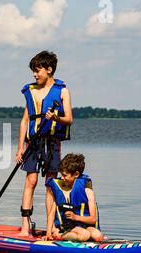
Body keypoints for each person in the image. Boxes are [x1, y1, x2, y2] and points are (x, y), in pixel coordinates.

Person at [15, 51, 73, 236]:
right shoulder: (31, 91)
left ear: (49, 70)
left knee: (50, 183)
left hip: (52, 143)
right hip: (33, 143)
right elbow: (25, 121)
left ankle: (51, 227)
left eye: (37, 70)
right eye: (33, 71)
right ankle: (25, 225)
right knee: (30, 181)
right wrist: (19, 149)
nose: (34, 74)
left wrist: (55, 116)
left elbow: (69, 119)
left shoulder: (62, 91)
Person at [44, 153, 104, 242]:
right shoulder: (59, 187)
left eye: (65, 175)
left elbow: (93, 219)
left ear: (76, 174)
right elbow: (52, 212)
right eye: (61, 175)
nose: (62, 178)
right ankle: (60, 235)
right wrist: (48, 233)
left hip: (85, 225)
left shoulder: (87, 189)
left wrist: (75, 217)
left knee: (98, 236)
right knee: (84, 235)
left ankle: (75, 237)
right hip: (67, 227)